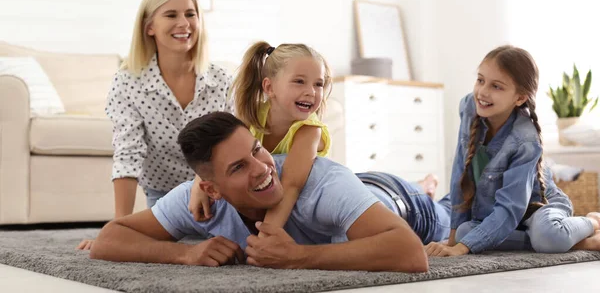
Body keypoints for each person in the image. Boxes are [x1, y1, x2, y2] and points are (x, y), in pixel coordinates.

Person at [89, 112, 454, 271]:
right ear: (211, 189)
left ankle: (429, 189)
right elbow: (109, 240)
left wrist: (298, 257)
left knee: (452, 212)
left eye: (255, 149)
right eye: (238, 167)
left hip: (404, 204)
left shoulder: (321, 184)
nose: (263, 167)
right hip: (359, 194)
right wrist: (185, 255)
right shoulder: (198, 199)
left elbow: (411, 254)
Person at [77, 0, 233, 250]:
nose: (183, 23)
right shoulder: (128, 83)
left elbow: (233, 149)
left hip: (219, 193)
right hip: (164, 199)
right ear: (150, 27)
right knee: (150, 246)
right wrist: (120, 230)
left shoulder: (222, 81)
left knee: (244, 247)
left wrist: (201, 182)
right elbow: (127, 156)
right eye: (171, 15)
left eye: (190, 14)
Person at [425, 45, 600, 257]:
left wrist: (462, 249)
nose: (483, 92)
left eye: (496, 86)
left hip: (537, 208)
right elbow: (459, 174)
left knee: (548, 236)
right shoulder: (469, 107)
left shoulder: (525, 140)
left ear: (519, 98)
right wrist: (454, 241)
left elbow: (510, 208)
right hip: (498, 211)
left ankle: (592, 221)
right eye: (480, 80)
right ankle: (566, 242)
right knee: (465, 233)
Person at [188, 41, 331, 231]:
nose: (311, 92)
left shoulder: (310, 130)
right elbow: (217, 149)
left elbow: (291, 186)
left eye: (318, 84)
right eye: (299, 81)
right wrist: (198, 184)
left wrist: (267, 235)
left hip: (306, 201)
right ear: (269, 87)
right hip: (266, 196)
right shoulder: (253, 114)